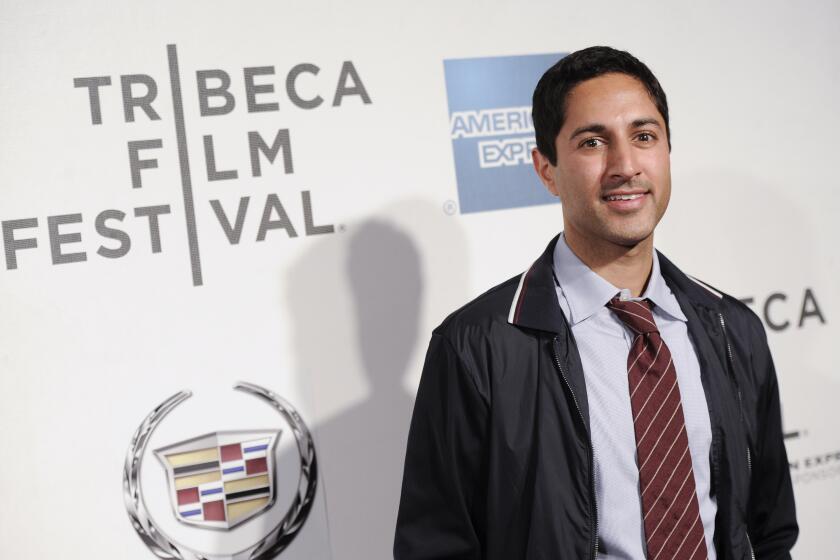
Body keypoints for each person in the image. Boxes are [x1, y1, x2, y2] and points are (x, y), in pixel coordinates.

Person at [394, 46, 797, 559]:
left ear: (667, 152)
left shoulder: (732, 328)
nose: (625, 166)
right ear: (546, 169)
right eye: (592, 142)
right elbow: (435, 548)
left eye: (644, 137)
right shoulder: (477, 346)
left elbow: (769, 529)